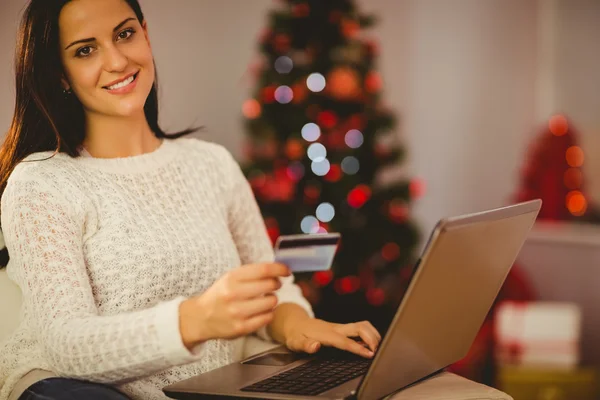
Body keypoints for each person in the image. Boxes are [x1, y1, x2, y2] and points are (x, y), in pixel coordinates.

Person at [0, 0, 382, 399]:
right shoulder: (42, 182)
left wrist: (299, 326)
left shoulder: (210, 163)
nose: (116, 60)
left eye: (124, 34)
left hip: (218, 387)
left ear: (145, 34)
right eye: (85, 50)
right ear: (60, 74)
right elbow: (66, 344)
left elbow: (272, 282)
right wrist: (194, 321)